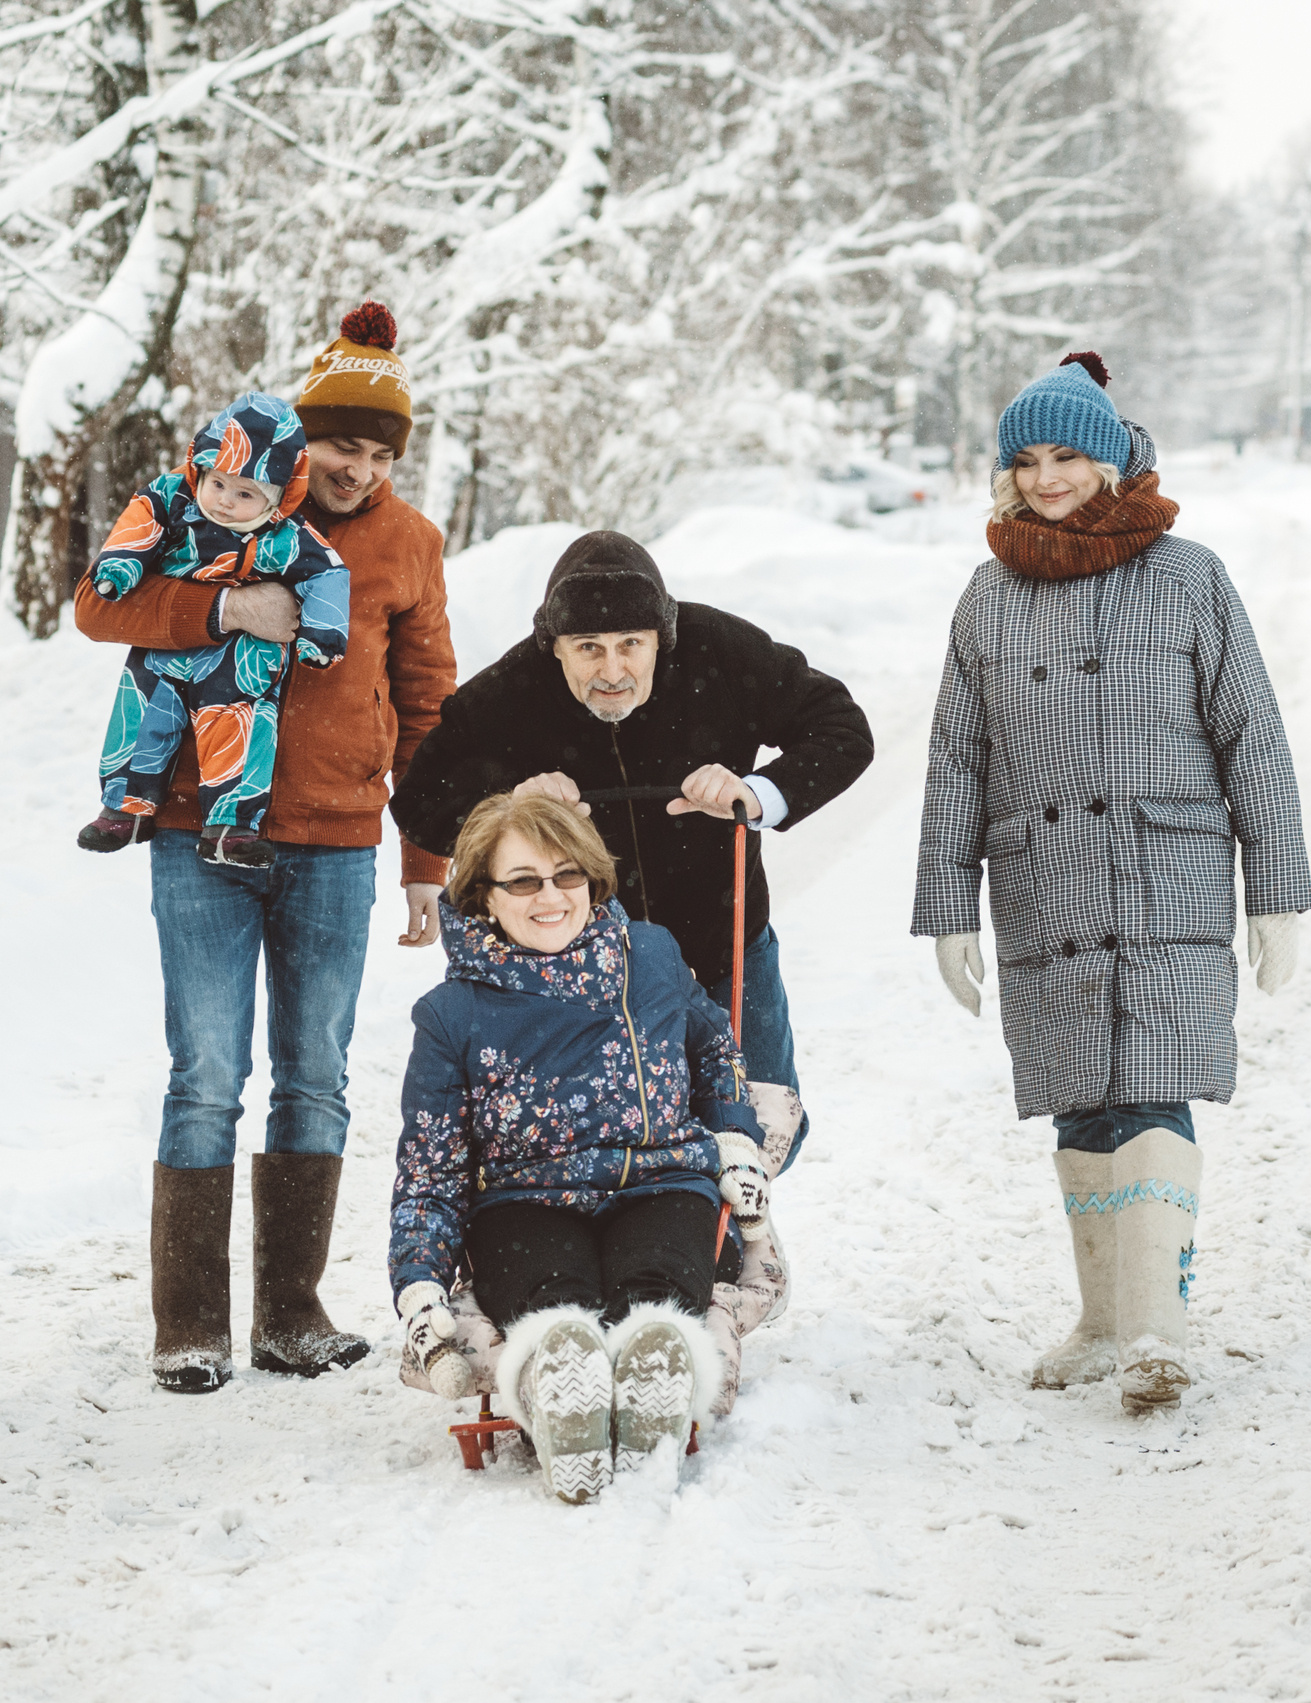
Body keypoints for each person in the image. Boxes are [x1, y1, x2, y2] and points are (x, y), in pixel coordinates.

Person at [909, 352, 1311, 1415]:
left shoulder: (1187, 576)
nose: (1046, 477)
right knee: (1079, 1096)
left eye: (1067, 455)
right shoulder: (987, 596)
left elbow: (1251, 737)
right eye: (1026, 460)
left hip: (1165, 872)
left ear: (1110, 455)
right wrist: (947, 906)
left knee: (1150, 1084)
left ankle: (1157, 1327)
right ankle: (1101, 1318)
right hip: (1044, 886)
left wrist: (1277, 888)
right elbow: (956, 757)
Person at [71, 301, 456, 1393]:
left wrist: (423, 863)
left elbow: (431, 707)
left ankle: (290, 1310)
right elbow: (101, 612)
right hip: (201, 826)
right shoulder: (217, 502)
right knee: (204, 1072)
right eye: (341, 445)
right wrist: (227, 609)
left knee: (317, 1076)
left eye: (380, 454)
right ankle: (188, 1323)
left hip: (337, 840)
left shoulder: (410, 544)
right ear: (302, 432)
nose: (359, 470)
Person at [390, 530, 873, 1142]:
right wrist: (509, 804)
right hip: (583, 962)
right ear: (554, 647)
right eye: (588, 647)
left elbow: (843, 729)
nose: (612, 670)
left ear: (661, 639)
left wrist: (756, 794)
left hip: (723, 939)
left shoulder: (720, 652)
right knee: (624, 1139)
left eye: (631, 645)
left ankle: (731, 1221)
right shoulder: (511, 690)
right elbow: (420, 803)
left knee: (762, 1121)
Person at [386, 793, 769, 1503]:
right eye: (523, 880)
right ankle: (558, 1389)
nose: (551, 896)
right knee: (550, 1301)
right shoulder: (453, 1013)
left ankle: (655, 1379)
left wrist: (736, 1138)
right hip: (524, 1199)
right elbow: (431, 1165)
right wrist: (418, 1279)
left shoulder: (649, 956)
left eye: (568, 875)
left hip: (660, 1181)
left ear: (593, 878)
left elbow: (715, 1050)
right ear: (482, 895)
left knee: (653, 1287)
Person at [77, 391, 349, 867]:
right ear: (200, 468)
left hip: (240, 660)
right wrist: (120, 566)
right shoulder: (175, 498)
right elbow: (140, 520)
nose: (225, 502)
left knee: (238, 729)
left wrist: (322, 634)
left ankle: (231, 827)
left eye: (246, 494)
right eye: (218, 484)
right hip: (163, 649)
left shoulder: (286, 535)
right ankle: (125, 807)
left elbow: (328, 573)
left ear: (277, 497)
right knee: (141, 720)